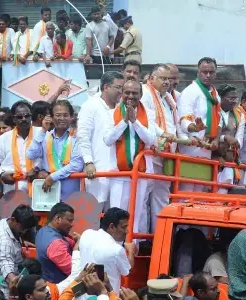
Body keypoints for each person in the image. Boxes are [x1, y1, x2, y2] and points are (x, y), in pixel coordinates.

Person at [104, 80, 155, 234]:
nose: (130, 96)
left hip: (140, 173)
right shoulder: (111, 113)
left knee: (136, 215)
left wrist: (135, 121)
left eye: (135, 93)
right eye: (127, 92)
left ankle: (133, 250)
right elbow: (108, 140)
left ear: (141, 95)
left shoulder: (149, 114)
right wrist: (124, 121)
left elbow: (151, 140)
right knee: (117, 215)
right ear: (122, 94)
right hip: (119, 173)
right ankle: (117, 248)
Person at [140, 64, 177, 232]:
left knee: (161, 197)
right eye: (163, 78)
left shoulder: (166, 98)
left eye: (169, 79)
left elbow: (173, 125)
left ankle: (159, 237)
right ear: (151, 78)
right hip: (151, 151)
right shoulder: (145, 93)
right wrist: (163, 134)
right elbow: (148, 120)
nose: (167, 82)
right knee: (143, 197)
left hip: (166, 153)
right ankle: (142, 239)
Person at [78, 71, 124, 207]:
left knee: (116, 215)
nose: (121, 92)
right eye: (118, 87)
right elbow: (83, 136)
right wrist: (88, 162)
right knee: (95, 213)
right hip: (98, 170)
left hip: (119, 172)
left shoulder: (121, 108)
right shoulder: (90, 105)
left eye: (122, 87)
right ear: (105, 87)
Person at [178, 57, 221, 192]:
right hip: (191, 147)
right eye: (204, 72)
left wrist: (216, 139)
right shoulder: (190, 92)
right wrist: (194, 128)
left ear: (216, 74)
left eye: (211, 72)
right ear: (198, 73)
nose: (207, 75)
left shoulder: (215, 95)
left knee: (201, 190)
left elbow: (219, 120)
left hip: (207, 148)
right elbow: (184, 120)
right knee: (187, 190)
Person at [27, 100, 84, 201]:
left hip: (70, 194)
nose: (61, 118)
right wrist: (43, 130)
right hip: (49, 193)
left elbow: (77, 165)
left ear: (71, 117)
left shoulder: (77, 136)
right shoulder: (44, 136)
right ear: (51, 117)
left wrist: (53, 177)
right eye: (58, 115)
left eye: (65, 115)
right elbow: (31, 154)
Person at [0, 100, 42, 195]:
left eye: (27, 116)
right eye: (20, 117)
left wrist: (37, 169)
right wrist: (1, 174)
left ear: (31, 116)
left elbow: (50, 157)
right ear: (14, 119)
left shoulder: (42, 133)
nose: (24, 119)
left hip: (39, 188)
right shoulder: (4, 138)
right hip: (12, 190)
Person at [0, 204, 38, 297]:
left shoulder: (5, 222)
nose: (24, 232)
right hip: (4, 288)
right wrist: (13, 279)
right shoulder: (3, 242)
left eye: (27, 229)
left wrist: (20, 242)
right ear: (13, 220)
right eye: (22, 228)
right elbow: (5, 262)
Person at [79, 207, 134, 294]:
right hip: (105, 296)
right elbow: (128, 272)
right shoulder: (117, 250)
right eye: (124, 227)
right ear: (111, 227)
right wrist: (131, 251)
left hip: (82, 295)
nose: (126, 231)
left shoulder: (86, 234)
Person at [35, 203, 77, 283]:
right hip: (57, 290)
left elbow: (68, 241)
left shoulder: (43, 230)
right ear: (58, 218)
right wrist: (77, 246)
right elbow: (74, 271)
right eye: (69, 220)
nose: (72, 225)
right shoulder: (56, 244)